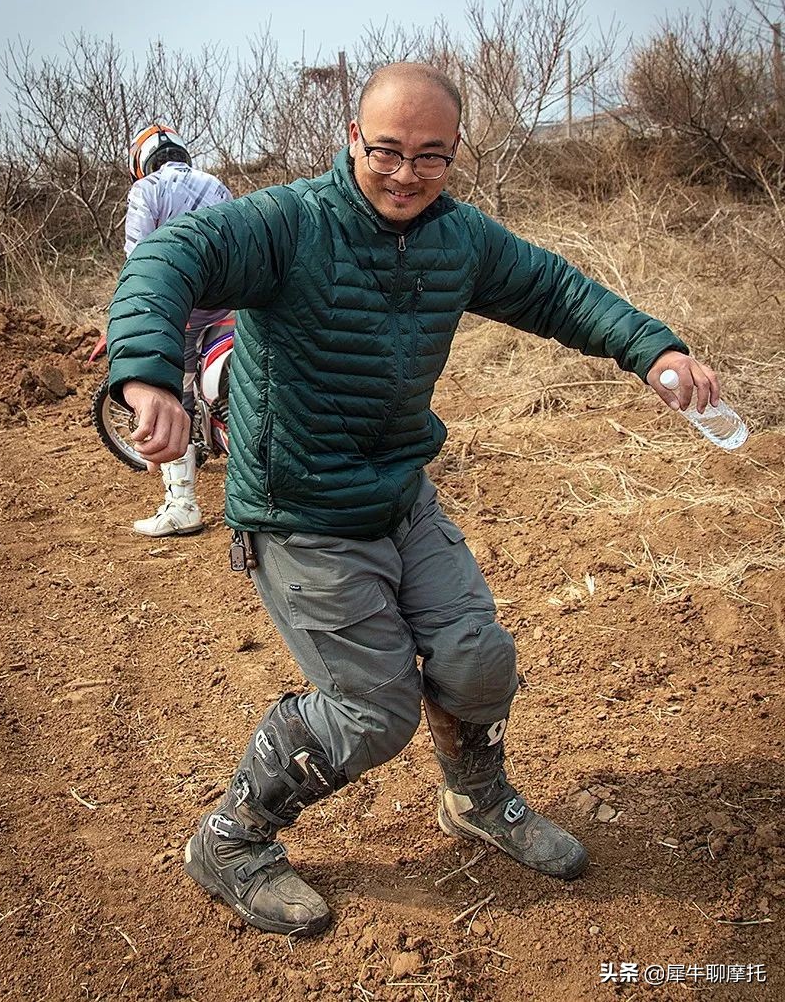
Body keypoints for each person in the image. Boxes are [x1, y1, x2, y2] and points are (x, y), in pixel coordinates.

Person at [107, 64, 720, 937]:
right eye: (387, 150)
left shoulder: (458, 240)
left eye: (430, 155)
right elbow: (174, 253)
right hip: (299, 511)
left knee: (478, 659)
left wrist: (653, 351)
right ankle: (232, 838)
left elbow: (555, 291)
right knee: (373, 709)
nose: (405, 174)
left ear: (455, 153)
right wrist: (145, 374)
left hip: (400, 494)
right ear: (353, 139)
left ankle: (475, 797)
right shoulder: (290, 225)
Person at [123, 124, 233, 537]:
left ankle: (182, 505)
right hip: (228, 307)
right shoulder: (215, 183)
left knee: (176, 398)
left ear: (141, 162)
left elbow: (140, 263)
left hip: (182, 313)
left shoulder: (146, 191)